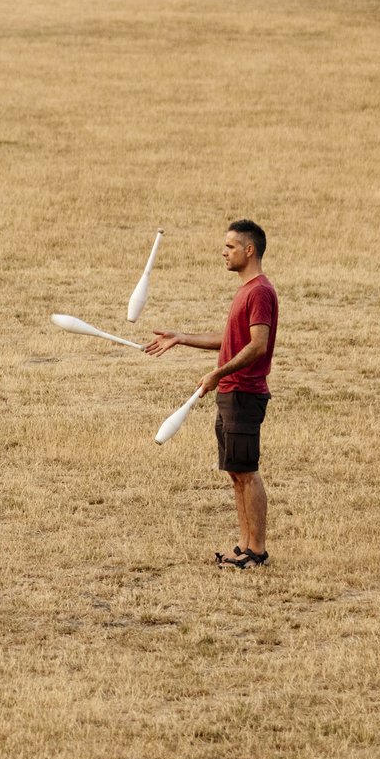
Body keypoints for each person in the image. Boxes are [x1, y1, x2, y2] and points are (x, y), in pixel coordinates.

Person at [143, 221, 279, 569]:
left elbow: (258, 345)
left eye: (231, 246)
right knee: (235, 472)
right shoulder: (246, 290)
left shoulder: (260, 291)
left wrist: (219, 372)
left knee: (247, 472)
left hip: (245, 392)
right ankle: (243, 545)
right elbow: (230, 339)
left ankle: (257, 551)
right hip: (232, 391)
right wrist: (181, 337)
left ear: (250, 251)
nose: (224, 252)